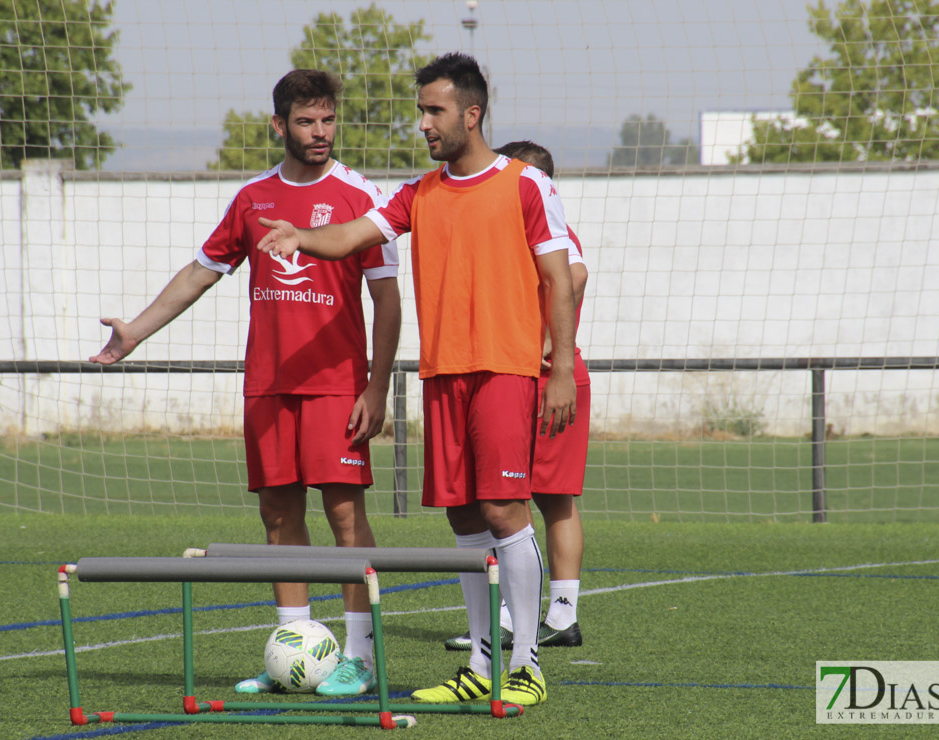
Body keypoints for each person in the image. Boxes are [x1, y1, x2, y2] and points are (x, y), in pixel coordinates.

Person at [255, 53, 577, 707]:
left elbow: (558, 278)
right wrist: (303, 236)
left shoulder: (523, 184)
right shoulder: (417, 193)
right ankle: (481, 667)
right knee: (462, 517)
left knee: (504, 510)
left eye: (434, 111)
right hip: (443, 375)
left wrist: (563, 368)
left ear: (471, 113)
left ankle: (526, 666)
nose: (425, 123)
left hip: (507, 370)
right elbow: (350, 236)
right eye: (421, 111)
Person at [88, 69, 400, 698]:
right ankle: (294, 654)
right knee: (278, 516)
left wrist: (376, 387)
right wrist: (135, 333)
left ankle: (361, 660)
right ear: (279, 125)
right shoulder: (252, 199)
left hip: (338, 384)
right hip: (267, 385)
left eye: (329, 119)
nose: (320, 132)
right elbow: (201, 273)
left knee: (344, 516)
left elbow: (388, 303)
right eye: (307, 121)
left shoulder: (359, 195)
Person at [443, 141, 589, 653]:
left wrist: (548, 348)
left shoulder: (541, 216)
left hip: (543, 375)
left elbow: (575, 273)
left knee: (538, 497)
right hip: (525, 373)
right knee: (525, 497)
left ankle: (550, 616)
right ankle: (525, 617)